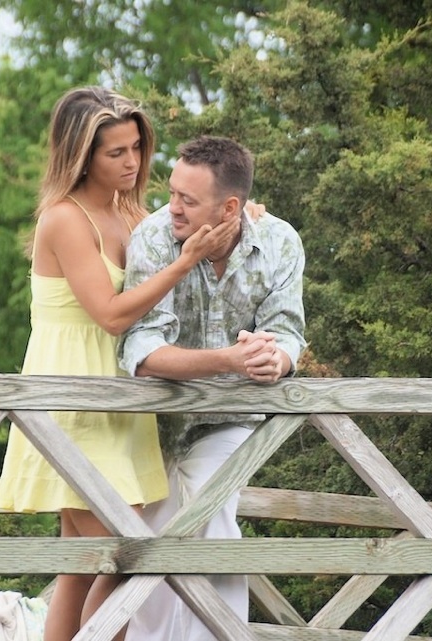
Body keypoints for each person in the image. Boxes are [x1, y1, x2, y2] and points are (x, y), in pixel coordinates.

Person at [0, 87, 240, 641]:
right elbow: (108, 314)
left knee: (82, 563)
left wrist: (243, 222)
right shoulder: (63, 218)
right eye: (115, 153)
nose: (131, 163)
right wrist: (186, 261)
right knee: (123, 558)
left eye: (136, 148)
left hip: (122, 395)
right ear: (80, 155)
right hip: (75, 398)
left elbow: (193, 245)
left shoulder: (132, 211)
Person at [120, 135, 306, 641]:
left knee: (212, 512)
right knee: (152, 548)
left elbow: (288, 328)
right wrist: (229, 360)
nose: (173, 207)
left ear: (230, 207)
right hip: (151, 423)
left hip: (230, 419)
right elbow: (142, 352)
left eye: (188, 199)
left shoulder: (281, 241)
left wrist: (276, 359)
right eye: (172, 191)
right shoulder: (154, 238)